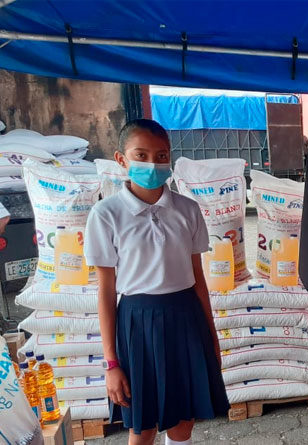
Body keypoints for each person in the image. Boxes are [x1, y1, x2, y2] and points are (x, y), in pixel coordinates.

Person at [84, 119, 229, 445]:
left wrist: (212, 337)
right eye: (142, 154)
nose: (153, 164)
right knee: (142, 425)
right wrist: (111, 363)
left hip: (186, 318)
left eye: (161, 155)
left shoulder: (187, 210)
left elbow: (198, 280)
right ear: (122, 159)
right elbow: (106, 290)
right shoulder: (106, 214)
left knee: (183, 421)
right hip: (137, 324)